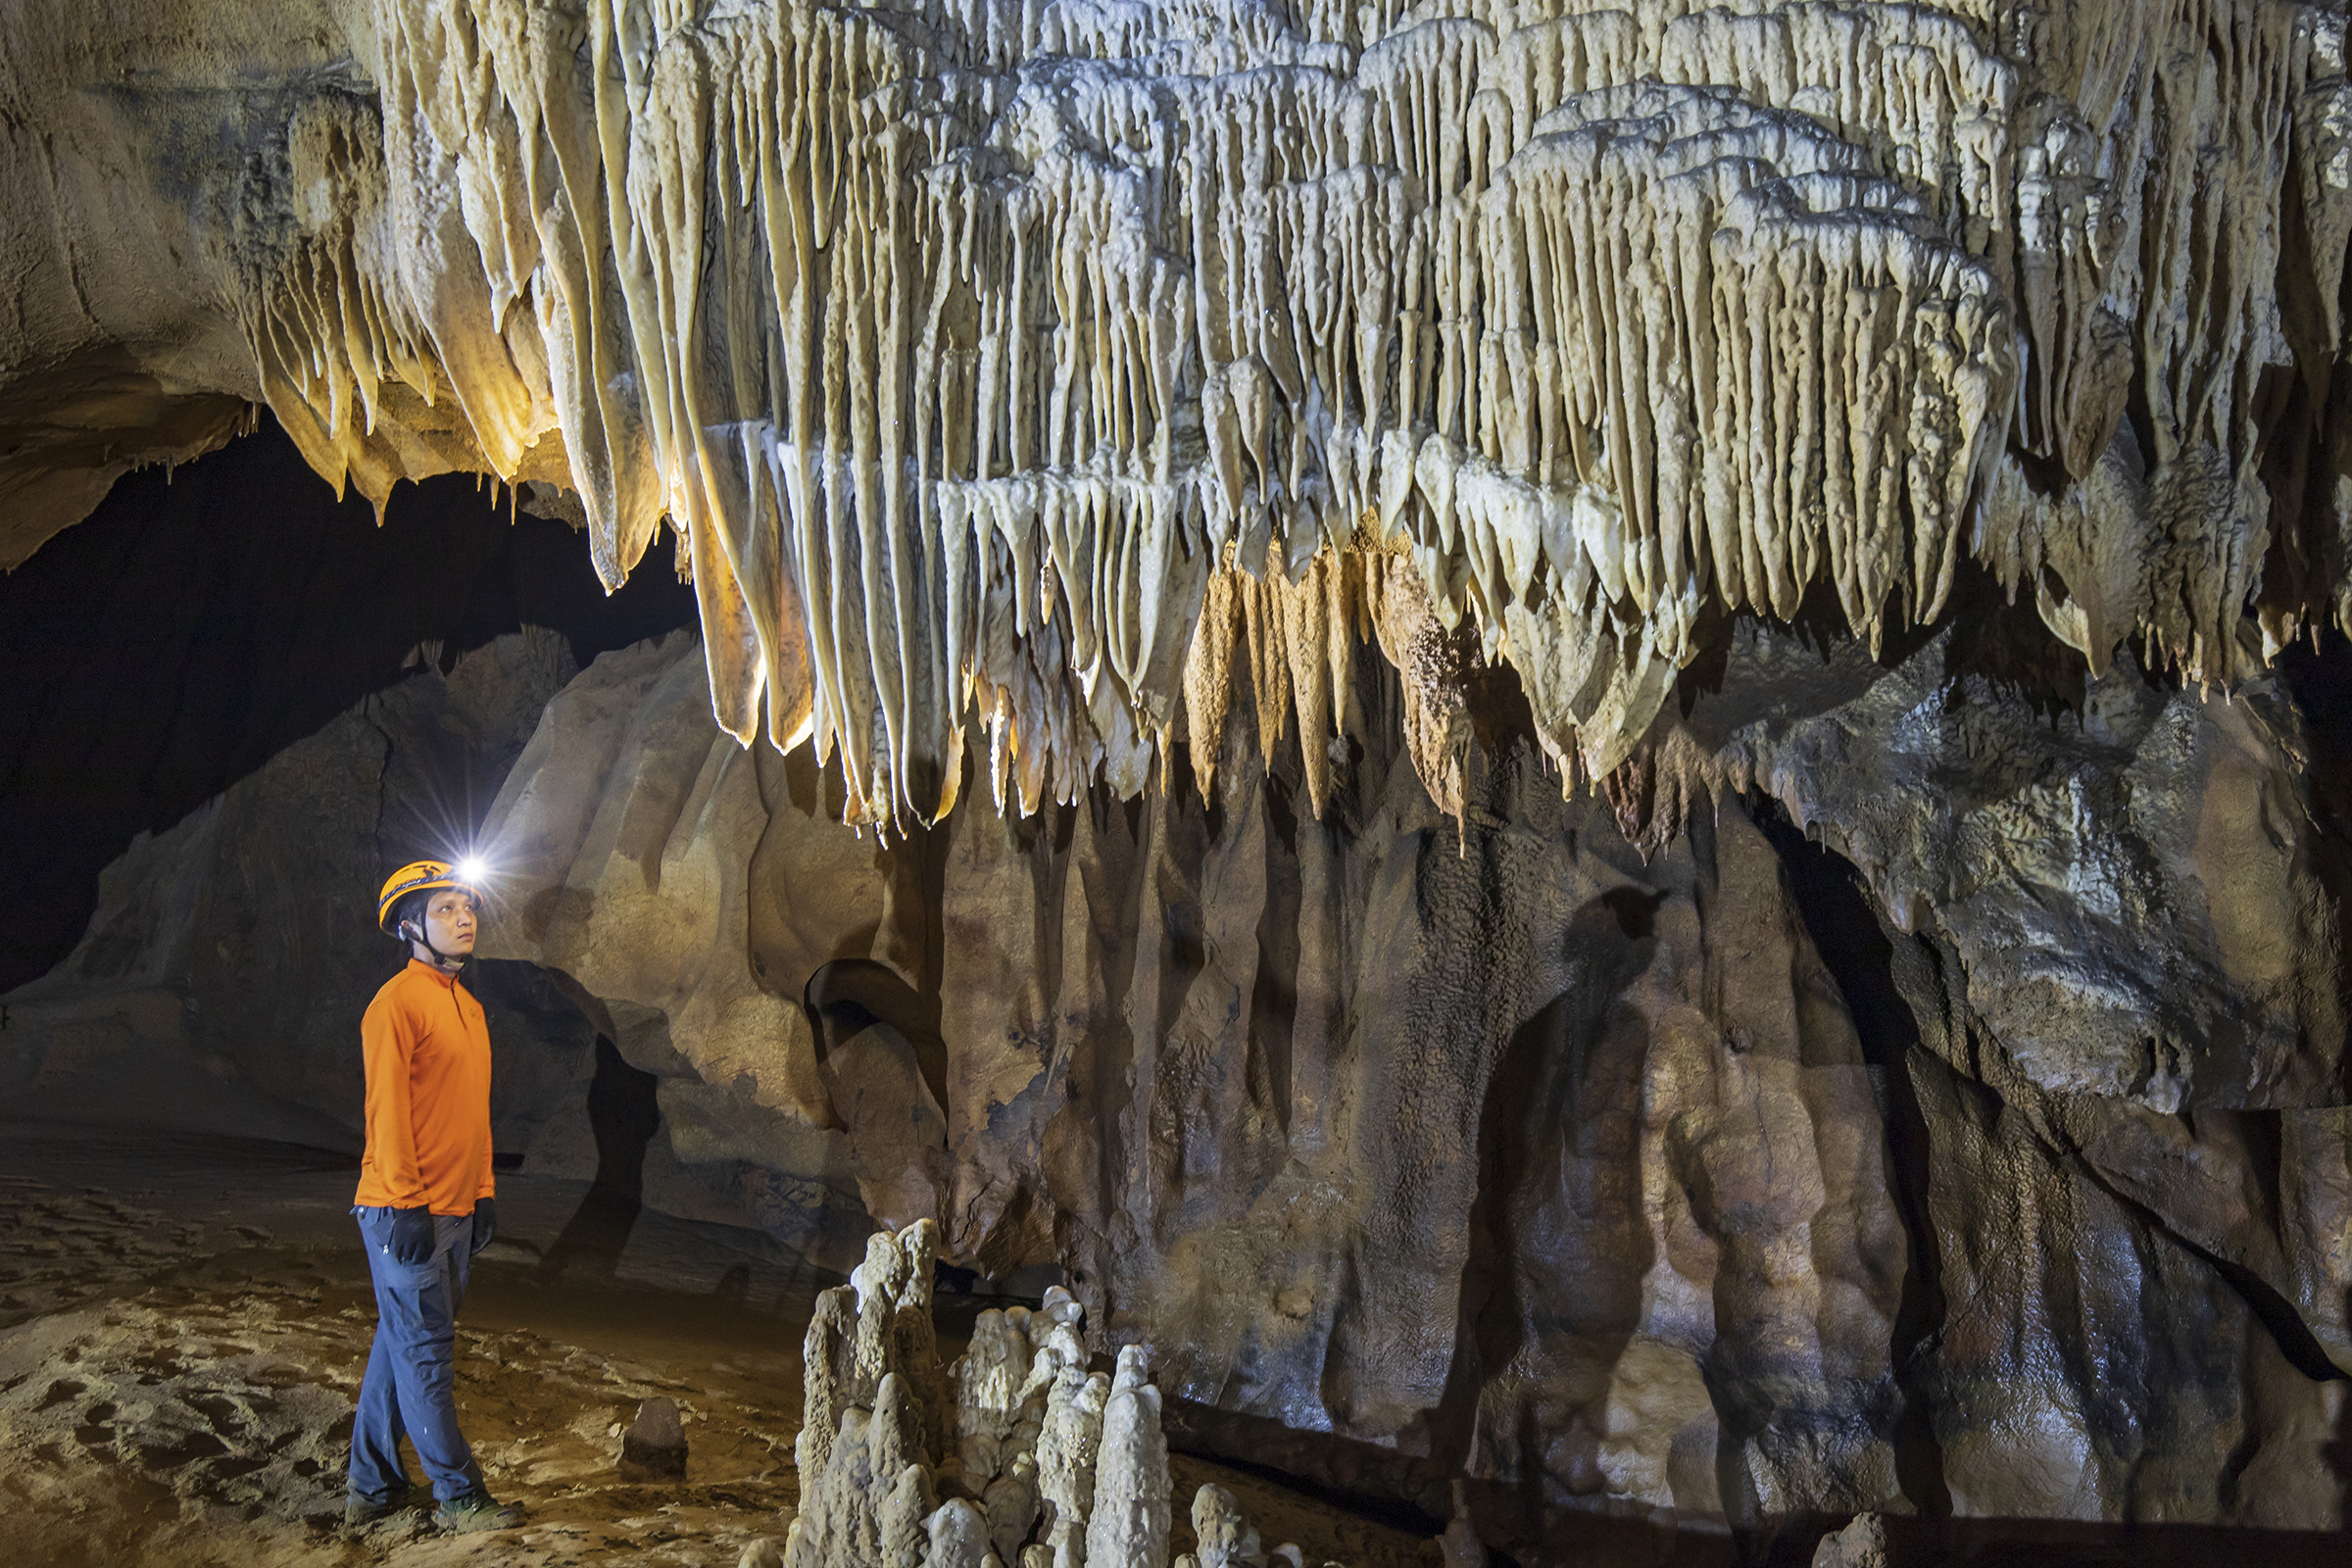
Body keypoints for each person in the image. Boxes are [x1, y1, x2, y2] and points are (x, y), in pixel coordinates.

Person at [344, 858, 525, 1533]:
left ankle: (373, 1488)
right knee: (426, 1356)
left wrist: (482, 1192)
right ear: (410, 926)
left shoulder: (469, 1009)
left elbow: (471, 1113)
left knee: (401, 1348)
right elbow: (386, 1114)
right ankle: (459, 1494)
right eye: (447, 909)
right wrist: (407, 1203)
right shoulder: (395, 1005)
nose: (464, 918)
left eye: (468, 907)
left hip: (452, 1207)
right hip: (405, 1209)